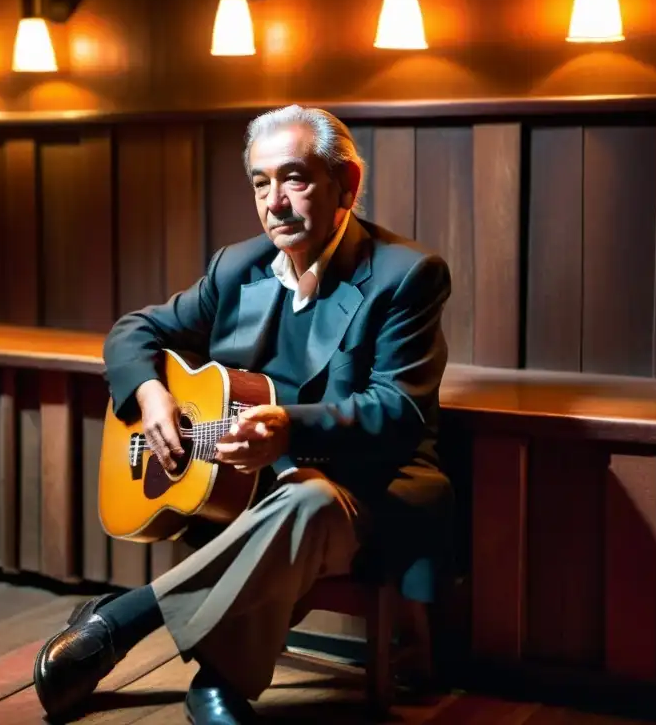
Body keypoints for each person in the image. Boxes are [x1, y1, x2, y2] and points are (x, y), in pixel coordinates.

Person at [33, 105, 453, 724]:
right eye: (260, 182)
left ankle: (132, 624)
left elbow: (398, 411)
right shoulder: (236, 266)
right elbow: (134, 331)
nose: (275, 201)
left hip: (359, 488)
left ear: (348, 185)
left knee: (306, 499)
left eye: (295, 179)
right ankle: (217, 686)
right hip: (242, 488)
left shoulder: (406, 275)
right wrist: (151, 395)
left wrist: (290, 427)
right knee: (287, 502)